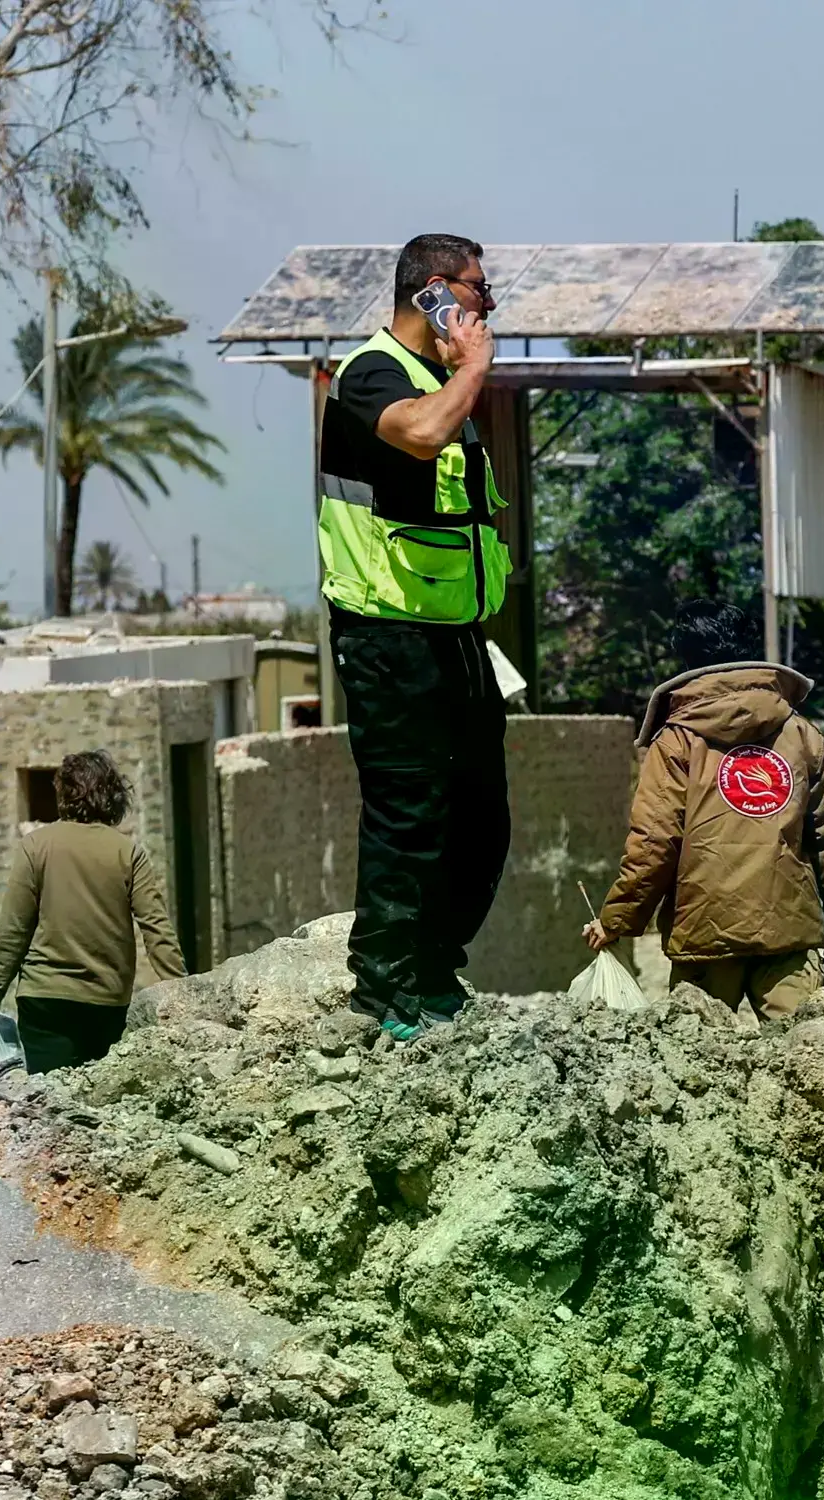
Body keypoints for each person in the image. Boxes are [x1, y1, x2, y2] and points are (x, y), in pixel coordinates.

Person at [317, 233, 512, 1040]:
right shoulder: (373, 374)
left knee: (481, 816)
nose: (486, 308)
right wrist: (472, 368)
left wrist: (460, 373)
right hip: (386, 633)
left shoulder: (440, 382)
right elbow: (419, 435)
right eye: (479, 292)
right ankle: (383, 985)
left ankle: (436, 965)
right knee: (408, 812)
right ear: (436, 292)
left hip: (455, 635)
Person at [584, 600, 824, 1021]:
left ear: (686, 657)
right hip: (789, 935)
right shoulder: (803, 734)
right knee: (805, 1062)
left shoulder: (675, 742)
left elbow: (655, 843)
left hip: (704, 938)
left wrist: (617, 920)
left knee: (698, 1069)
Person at [0, 752, 186, 1073]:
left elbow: (14, 932)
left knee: (51, 1108)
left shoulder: (35, 846)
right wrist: (182, 992)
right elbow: (157, 930)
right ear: (112, 795)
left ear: (63, 793)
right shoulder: (127, 853)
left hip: (44, 1003)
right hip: (106, 1006)